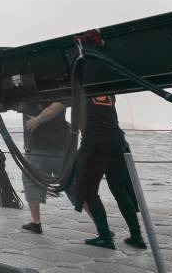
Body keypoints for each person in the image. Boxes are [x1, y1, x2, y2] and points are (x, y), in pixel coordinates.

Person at [73, 93, 145, 249]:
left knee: (89, 192)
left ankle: (105, 237)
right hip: (116, 142)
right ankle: (137, 236)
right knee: (120, 190)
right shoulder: (109, 91)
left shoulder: (79, 90)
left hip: (95, 146)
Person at [19, 100, 69, 234]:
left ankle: (36, 223)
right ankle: (100, 226)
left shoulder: (41, 89)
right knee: (73, 185)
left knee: (31, 182)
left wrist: (38, 120)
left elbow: (56, 107)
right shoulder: (61, 86)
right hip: (61, 146)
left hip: (39, 147)